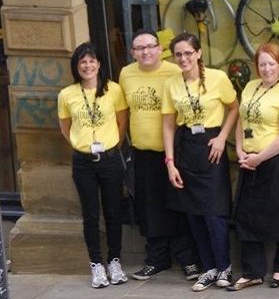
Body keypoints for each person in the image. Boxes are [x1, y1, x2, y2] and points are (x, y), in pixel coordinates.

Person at [119, 29, 201, 282]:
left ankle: (188, 259)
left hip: (174, 152)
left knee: (178, 205)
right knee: (148, 207)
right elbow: (123, 113)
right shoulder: (126, 74)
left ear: (159, 49)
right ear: (133, 52)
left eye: (150, 46)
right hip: (142, 152)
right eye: (139, 48)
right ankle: (156, 259)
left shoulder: (175, 71)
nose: (145, 52)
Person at [161, 33, 239, 292]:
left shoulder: (218, 78)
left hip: (211, 147)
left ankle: (224, 266)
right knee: (194, 215)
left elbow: (234, 108)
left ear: (198, 53)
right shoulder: (171, 83)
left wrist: (222, 138)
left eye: (187, 53)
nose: (183, 58)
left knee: (214, 214)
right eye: (178, 54)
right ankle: (209, 268)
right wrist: (170, 162)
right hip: (186, 149)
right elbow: (169, 124)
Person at [228, 42, 279, 291]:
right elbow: (241, 120)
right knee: (246, 213)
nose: (267, 68)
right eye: (262, 63)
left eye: (272, 63)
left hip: (277, 160)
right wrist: (240, 149)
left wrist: (259, 157)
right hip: (249, 159)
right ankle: (253, 271)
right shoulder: (250, 86)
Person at [58, 42, 129, 288]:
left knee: (113, 212)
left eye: (91, 61)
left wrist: (112, 147)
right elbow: (65, 128)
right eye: (82, 62)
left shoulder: (114, 90)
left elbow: (122, 123)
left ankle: (115, 261)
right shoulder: (67, 95)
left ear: (99, 64)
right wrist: (82, 145)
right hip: (83, 162)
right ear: (76, 67)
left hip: (110, 159)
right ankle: (96, 265)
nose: (87, 66)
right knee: (90, 215)